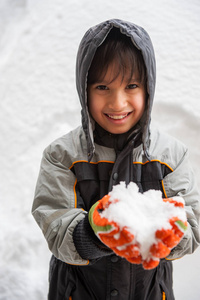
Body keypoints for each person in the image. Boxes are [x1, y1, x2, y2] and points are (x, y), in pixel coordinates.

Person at [32, 19, 200, 300]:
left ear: (148, 88)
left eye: (131, 85)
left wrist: (165, 233)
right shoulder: (62, 156)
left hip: (148, 292)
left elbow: (192, 226)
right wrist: (94, 231)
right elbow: (55, 224)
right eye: (102, 87)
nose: (117, 103)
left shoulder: (171, 155)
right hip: (78, 292)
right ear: (84, 89)